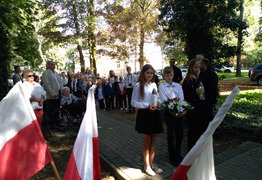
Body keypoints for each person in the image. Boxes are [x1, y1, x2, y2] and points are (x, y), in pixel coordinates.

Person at [131, 64, 163, 176]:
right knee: (147, 141)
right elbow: (133, 102)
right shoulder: (138, 85)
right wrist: (146, 105)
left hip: (154, 114)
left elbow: (156, 97)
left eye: (151, 73)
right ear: (143, 73)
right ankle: (147, 165)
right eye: (147, 73)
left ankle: (152, 163)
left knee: (153, 140)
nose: (150, 75)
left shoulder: (154, 84)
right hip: (144, 115)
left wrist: (158, 103)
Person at [159, 66, 185, 166]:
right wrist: (173, 109)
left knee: (180, 134)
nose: (169, 77)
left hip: (179, 112)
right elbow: (164, 101)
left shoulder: (177, 86)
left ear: (173, 75)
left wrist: (181, 110)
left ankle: (178, 153)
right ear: (164, 75)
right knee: (171, 134)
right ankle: (172, 155)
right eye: (167, 75)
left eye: (171, 75)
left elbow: (181, 98)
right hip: (169, 113)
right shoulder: (162, 87)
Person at [182, 59, 203, 150]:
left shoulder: (198, 78)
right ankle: (191, 147)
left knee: (197, 127)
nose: (197, 69)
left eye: (198, 67)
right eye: (195, 67)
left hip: (198, 106)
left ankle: (195, 146)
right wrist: (195, 92)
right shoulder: (187, 80)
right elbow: (185, 95)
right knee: (192, 128)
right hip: (191, 107)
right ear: (191, 68)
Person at [199, 58, 218, 133]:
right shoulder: (202, 73)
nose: (200, 65)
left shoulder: (211, 74)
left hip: (209, 99)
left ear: (205, 64)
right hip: (203, 98)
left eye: (201, 64)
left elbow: (213, 87)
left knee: (208, 116)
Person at [41, 61, 63, 126]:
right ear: (47, 65)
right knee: (51, 109)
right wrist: (52, 93)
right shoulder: (45, 73)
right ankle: (53, 124)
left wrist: (61, 89)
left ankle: (57, 122)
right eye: (52, 64)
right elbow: (47, 85)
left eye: (54, 64)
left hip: (58, 92)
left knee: (57, 108)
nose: (54, 66)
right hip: (51, 95)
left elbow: (60, 82)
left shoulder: (56, 73)